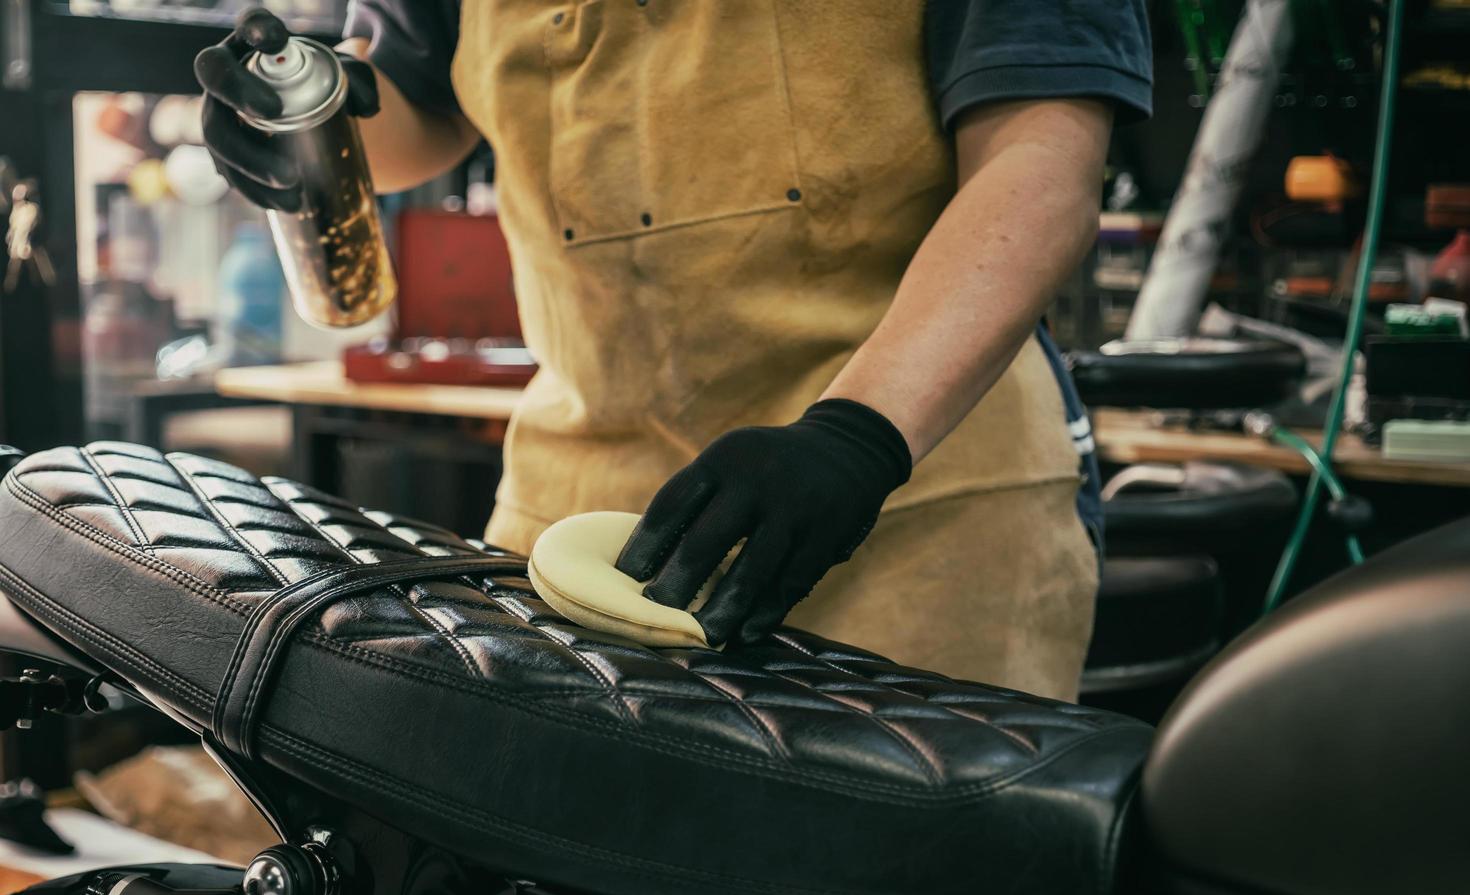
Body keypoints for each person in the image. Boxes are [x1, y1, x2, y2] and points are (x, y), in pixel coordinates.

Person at [196, 1, 1151, 701]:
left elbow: (1041, 161)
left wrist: (859, 436)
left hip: (906, 507)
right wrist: (308, 119)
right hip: (580, 525)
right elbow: (415, 99)